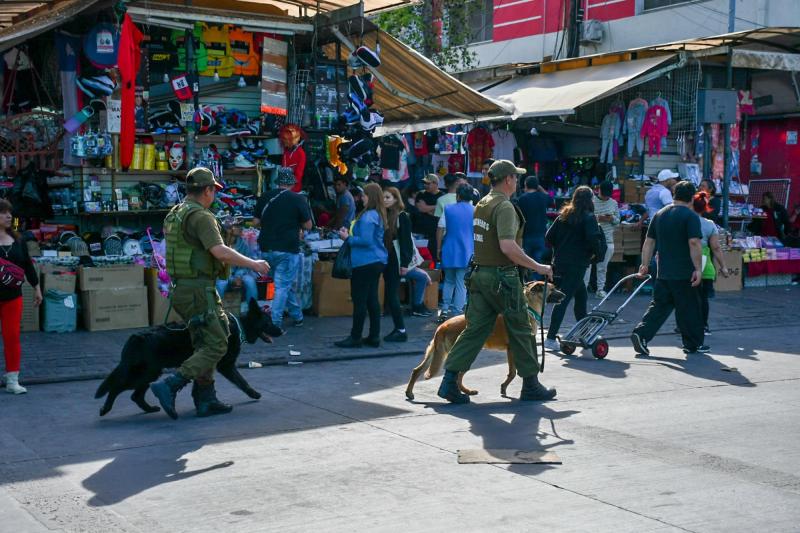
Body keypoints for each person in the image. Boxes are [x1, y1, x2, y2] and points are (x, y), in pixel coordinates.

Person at [151, 167, 270, 419]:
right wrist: (254, 264)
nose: (214, 195)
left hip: (183, 288)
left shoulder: (176, 213)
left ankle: (206, 399)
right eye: (214, 191)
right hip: (198, 289)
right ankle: (171, 384)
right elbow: (220, 252)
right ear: (207, 190)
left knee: (205, 342)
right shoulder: (201, 216)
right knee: (218, 344)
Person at [437, 160, 555, 404]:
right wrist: (539, 267)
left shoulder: (482, 203)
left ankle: (449, 382)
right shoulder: (504, 207)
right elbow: (508, 246)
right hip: (502, 278)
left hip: (480, 276)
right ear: (509, 179)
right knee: (522, 329)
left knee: (475, 329)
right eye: (516, 177)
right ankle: (530, 385)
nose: (518, 181)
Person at [631, 181, 708, 356]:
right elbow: (694, 242)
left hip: (663, 271)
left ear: (674, 195)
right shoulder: (690, 216)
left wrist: (644, 264)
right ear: (691, 197)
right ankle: (692, 344)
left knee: (659, 306)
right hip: (684, 272)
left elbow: (649, 242)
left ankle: (641, 333)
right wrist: (698, 269)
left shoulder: (659, 214)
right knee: (689, 308)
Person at [543, 186, 604, 352]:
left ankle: (584, 333)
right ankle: (550, 338)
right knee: (563, 298)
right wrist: (596, 255)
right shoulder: (589, 218)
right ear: (589, 200)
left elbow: (549, 236)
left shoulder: (564, 215)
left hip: (561, 262)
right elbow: (593, 239)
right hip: (577, 264)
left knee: (581, 296)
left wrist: (561, 247)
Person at [253, 167, 312, 329]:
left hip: (266, 248)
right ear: (292, 184)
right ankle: (275, 322)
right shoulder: (298, 199)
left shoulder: (265, 196)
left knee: (283, 285)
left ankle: (297, 316)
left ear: (278, 182)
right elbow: (308, 225)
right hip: (287, 247)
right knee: (282, 286)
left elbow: (255, 222)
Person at [335, 183, 388, 348]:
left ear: (370, 196)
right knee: (371, 298)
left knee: (360, 300)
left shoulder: (368, 216)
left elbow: (365, 240)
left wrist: (347, 238)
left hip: (365, 262)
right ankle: (373, 336)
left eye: (364, 195)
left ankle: (355, 336)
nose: (362, 197)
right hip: (376, 260)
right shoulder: (378, 214)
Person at [0, 199, 41, 394]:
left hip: (13, 298)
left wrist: (37, 287)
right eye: (3, 212)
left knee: (12, 337)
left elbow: (27, 265)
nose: (9, 216)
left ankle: (12, 380)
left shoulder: (19, 240)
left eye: (10, 212)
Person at [692, 191, 730, 334]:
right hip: (705, 266)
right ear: (705, 207)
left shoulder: (686, 221)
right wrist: (724, 267)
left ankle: (684, 325)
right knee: (703, 298)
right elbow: (715, 247)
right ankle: (704, 326)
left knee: (686, 298)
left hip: (687, 265)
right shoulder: (710, 224)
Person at [437, 184, 475, 320]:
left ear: (458, 196)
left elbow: (440, 228)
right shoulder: (475, 210)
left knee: (448, 280)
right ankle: (457, 312)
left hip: (449, 249)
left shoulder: (448, 209)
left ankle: (445, 309)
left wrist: (438, 248)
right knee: (461, 283)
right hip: (467, 251)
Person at [381, 187, 411, 342]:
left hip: (397, 260)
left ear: (395, 199)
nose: (385, 200)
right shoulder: (385, 215)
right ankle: (398, 328)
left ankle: (401, 329)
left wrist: (405, 263)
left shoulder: (402, 216)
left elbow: (406, 242)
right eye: (383, 197)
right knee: (390, 294)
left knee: (393, 295)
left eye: (388, 197)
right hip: (387, 258)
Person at [584, 180, 620, 297]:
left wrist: (612, 218)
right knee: (587, 266)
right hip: (591, 239)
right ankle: (583, 289)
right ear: (598, 190)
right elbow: (584, 218)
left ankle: (600, 290)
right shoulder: (591, 201)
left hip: (608, 239)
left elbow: (617, 221)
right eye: (604, 194)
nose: (605, 197)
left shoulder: (613, 203)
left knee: (602, 267)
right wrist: (597, 218)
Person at [515, 175, 553, 281]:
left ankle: (528, 282)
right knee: (538, 261)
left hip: (526, 234)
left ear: (525, 185)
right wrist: (540, 188)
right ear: (537, 186)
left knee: (526, 261)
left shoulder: (522, 199)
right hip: (540, 234)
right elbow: (551, 198)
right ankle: (536, 283)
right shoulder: (543, 197)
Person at [215, 219, 259, 311]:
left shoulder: (242, 244)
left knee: (250, 281)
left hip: (239, 273)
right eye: (237, 226)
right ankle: (217, 311)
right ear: (228, 229)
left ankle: (252, 311)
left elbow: (246, 263)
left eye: (240, 226)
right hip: (223, 274)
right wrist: (232, 278)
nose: (240, 229)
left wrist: (238, 276)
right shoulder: (220, 245)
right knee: (222, 284)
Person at [416, 174, 444, 263]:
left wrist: (428, 208)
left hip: (435, 232)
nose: (425, 185)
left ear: (436, 184)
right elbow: (421, 208)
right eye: (424, 183)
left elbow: (439, 214)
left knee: (434, 258)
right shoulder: (421, 194)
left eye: (428, 183)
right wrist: (436, 206)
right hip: (421, 232)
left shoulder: (442, 196)